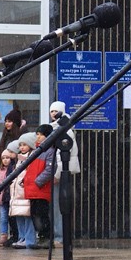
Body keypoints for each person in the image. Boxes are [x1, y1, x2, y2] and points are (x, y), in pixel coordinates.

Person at [48, 100, 79, 244]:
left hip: (59, 173)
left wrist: (57, 173)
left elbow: (62, 154)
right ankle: (58, 235)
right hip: (56, 171)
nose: (53, 114)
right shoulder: (56, 128)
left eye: (56, 111)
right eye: (51, 111)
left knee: (59, 207)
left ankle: (60, 236)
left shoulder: (64, 130)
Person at [23, 125, 58, 249]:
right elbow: (30, 169)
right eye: (37, 134)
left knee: (41, 214)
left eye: (41, 134)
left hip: (40, 189)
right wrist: (26, 180)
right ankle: (42, 237)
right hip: (33, 188)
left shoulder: (49, 151)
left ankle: (46, 237)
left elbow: (50, 169)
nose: (38, 137)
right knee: (35, 214)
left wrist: (38, 181)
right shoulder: (36, 151)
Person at [0, 143, 17, 247]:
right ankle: (3, 235)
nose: (5, 160)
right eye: (3, 158)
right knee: (4, 218)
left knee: (12, 217)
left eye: (7, 157)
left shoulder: (13, 168)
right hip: (2, 199)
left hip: (11, 197)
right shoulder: (0, 171)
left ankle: (13, 234)